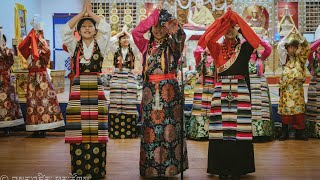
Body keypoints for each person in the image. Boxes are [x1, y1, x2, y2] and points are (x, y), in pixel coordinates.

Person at [198, 8, 262, 179]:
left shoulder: (245, 48)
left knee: (239, 129)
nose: (230, 29)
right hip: (221, 91)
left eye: (233, 27)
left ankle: (238, 167)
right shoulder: (217, 48)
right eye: (228, 27)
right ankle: (221, 168)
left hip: (240, 90)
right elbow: (207, 38)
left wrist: (239, 23)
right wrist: (223, 22)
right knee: (220, 129)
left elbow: (256, 41)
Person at [132, 0, 188, 177]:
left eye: (161, 26)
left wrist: (166, 18)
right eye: (154, 26)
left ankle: (171, 167)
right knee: (151, 130)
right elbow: (136, 32)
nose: (157, 29)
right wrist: (155, 14)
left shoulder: (173, 45)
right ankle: (151, 167)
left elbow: (180, 34)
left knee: (169, 130)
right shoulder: (145, 46)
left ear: (166, 28)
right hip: (150, 94)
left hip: (170, 93)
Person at [62, 0, 110, 178]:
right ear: (79, 31)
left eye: (91, 26)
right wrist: (82, 14)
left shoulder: (101, 45)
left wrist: (91, 13)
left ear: (95, 30)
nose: (88, 28)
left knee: (97, 129)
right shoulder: (74, 46)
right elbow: (66, 30)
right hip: (78, 91)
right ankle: (80, 170)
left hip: (96, 90)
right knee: (78, 129)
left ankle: (97, 170)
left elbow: (107, 28)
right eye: (84, 27)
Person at [18, 18, 64, 138]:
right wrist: (30, 36)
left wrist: (38, 38)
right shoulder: (29, 52)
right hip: (32, 80)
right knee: (33, 103)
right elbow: (21, 47)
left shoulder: (44, 50)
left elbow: (46, 52)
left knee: (45, 102)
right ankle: (35, 128)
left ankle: (45, 126)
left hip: (43, 78)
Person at [277, 27, 310, 141]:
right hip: (286, 90)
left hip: (297, 90)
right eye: (290, 47)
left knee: (298, 111)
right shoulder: (284, 59)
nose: (292, 49)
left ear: (297, 48)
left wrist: (299, 36)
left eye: (294, 47)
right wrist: (289, 35)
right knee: (285, 111)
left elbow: (307, 47)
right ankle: (284, 132)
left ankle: (299, 132)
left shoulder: (301, 59)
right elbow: (280, 46)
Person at [108, 25, 140, 139]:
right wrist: (121, 32)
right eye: (123, 38)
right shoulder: (115, 49)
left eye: (127, 38)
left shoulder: (133, 50)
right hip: (117, 76)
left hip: (129, 76)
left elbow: (136, 43)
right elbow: (111, 42)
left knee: (129, 102)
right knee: (116, 102)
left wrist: (128, 34)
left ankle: (129, 132)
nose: (125, 40)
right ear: (120, 40)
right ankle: (115, 131)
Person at [248, 40, 273, 141]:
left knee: (262, 110)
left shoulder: (261, 56)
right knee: (250, 110)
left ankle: (262, 133)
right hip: (249, 84)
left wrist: (257, 39)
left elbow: (268, 48)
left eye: (254, 45)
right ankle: (251, 133)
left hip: (260, 85)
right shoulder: (243, 57)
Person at [0, 31, 24, 136]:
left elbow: (10, 60)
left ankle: (7, 127)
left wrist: (2, 49)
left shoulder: (8, 51)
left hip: (5, 79)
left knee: (7, 102)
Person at [187, 46, 214, 139]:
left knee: (212, 107)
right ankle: (199, 133)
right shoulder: (200, 55)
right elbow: (196, 50)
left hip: (213, 84)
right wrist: (205, 47)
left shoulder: (217, 55)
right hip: (201, 85)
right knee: (199, 108)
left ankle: (211, 133)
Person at [305, 38, 320, 138]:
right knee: (314, 108)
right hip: (315, 85)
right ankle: (314, 132)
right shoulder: (313, 57)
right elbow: (309, 49)